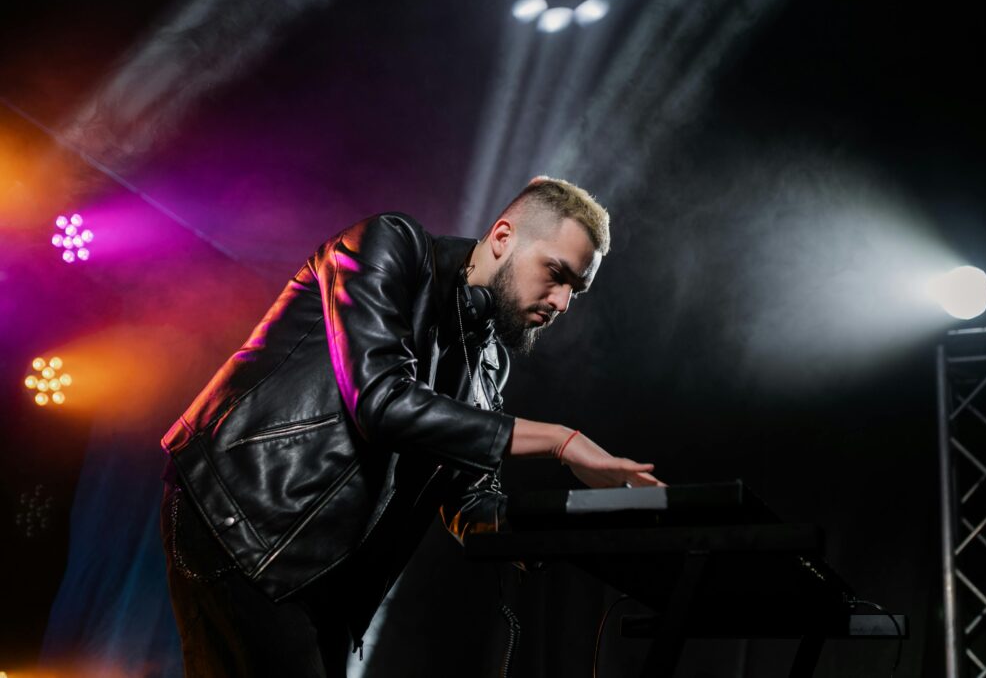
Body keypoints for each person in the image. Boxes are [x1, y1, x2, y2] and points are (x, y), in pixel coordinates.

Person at [159, 176, 664, 676]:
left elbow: (470, 504)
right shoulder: (389, 246)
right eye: (556, 273)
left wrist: (589, 518)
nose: (561, 303)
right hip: (242, 520)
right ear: (504, 236)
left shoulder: (489, 365)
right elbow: (380, 401)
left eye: (576, 289)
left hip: (327, 579)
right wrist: (561, 442)